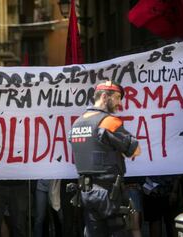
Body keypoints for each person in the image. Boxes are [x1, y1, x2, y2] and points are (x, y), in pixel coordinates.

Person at [69, 80, 141, 237]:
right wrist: (116, 151)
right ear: (104, 96)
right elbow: (135, 150)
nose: (120, 103)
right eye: (117, 97)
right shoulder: (108, 122)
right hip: (109, 195)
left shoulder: (76, 124)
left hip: (87, 194)